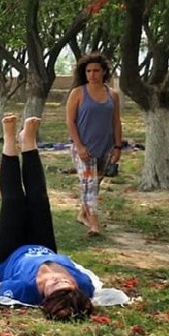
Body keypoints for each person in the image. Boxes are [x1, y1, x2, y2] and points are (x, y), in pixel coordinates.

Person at [0, 115, 95, 321]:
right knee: (38, 198)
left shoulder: (24, 289)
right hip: (43, 245)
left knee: (14, 201)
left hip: (6, 257)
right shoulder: (84, 284)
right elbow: (77, 295)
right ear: (77, 288)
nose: (58, 279)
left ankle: (9, 140)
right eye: (66, 283)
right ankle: (28, 142)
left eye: (53, 285)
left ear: (43, 296)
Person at [65, 53, 122, 236]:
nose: (92, 74)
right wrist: (79, 146)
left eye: (96, 70)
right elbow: (70, 121)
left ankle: (83, 214)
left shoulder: (113, 94)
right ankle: (94, 225)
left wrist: (118, 146)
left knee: (94, 184)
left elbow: (116, 122)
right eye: (88, 70)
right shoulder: (78, 93)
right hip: (83, 149)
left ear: (104, 71)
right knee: (89, 186)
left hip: (105, 148)